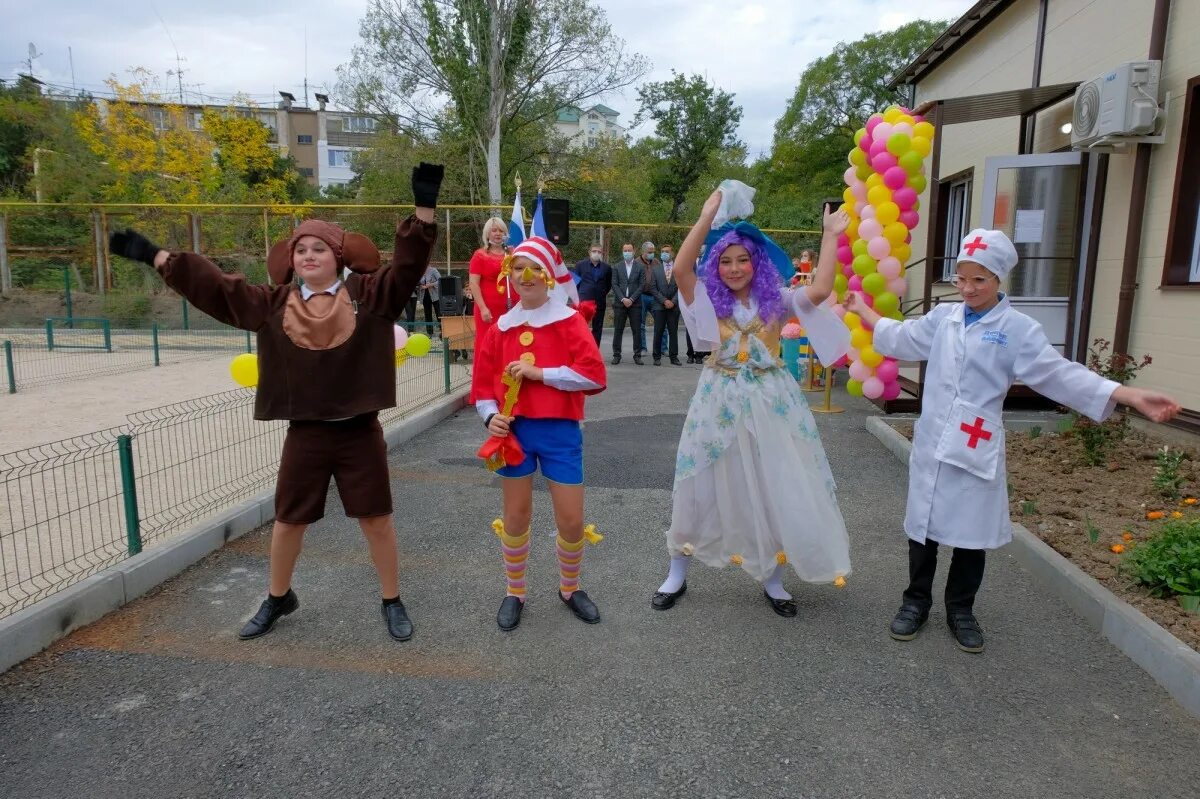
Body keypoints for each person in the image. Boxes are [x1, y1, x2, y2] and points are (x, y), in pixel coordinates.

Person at [108, 163, 446, 643]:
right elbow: (218, 289)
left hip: (358, 432)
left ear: (338, 257)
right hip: (306, 433)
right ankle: (278, 596)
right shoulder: (272, 302)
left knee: (377, 519)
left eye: (319, 248)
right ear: (291, 259)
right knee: (289, 520)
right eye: (300, 248)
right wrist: (158, 256)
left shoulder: (369, 295)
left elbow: (408, 268)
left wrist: (424, 208)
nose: (308, 255)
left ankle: (392, 598)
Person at [845, 228, 1182, 654]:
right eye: (961, 278)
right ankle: (915, 602)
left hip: (975, 440)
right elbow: (904, 337)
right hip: (934, 439)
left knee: (972, 530)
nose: (967, 288)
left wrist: (1125, 393)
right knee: (924, 525)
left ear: (1000, 279)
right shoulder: (944, 318)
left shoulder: (1018, 329)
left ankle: (961, 610)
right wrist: (865, 313)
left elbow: (1058, 373)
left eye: (979, 280)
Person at [650, 187, 853, 616]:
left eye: (742, 259)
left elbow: (819, 290)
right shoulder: (707, 301)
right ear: (715, 266)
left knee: (771, 483)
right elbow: (682, 269)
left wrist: (830, 235)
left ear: (756, 262)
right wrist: (706, 217)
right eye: (725, 260)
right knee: (697, 482)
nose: (735, 268)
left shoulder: (777, 302)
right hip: (718, 399)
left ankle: (773, 579)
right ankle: (677, 572)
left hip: (770, 401)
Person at [472, 237, 608, 631]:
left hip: (560, 433)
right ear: (508, 274)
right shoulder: (500, 327)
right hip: (514, 435)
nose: (525, 276)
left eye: (535, 269)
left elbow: (594, 376)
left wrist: (540, 373)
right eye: (518, 268)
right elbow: (481, 387)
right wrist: (490, 417)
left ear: (549, 277)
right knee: (515, 516)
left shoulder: (568, 320)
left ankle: (570, 588)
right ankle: (515, 591)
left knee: (570, 519)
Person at [469, 217, 518, 350]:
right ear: (487, 233)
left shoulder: (512, 254)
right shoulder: (479, 255)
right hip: (488, 309)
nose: (498, 234)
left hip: (512, 307)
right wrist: (483, 308)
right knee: (488, 342)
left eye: (501, 231)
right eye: (494, 230)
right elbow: (473, 283)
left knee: (510, 342)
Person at [610, 242, 645, 365]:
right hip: (620, 304)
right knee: (618, 330)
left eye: (629, 250)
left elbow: (642, 285)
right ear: (622, 251)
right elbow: (614, 284)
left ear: (634, 251)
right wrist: (623, 299)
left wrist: (631, 299)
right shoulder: (616, 267)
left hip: (635, 304)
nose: (627, 253)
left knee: (637, 330)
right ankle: (616, 355)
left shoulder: (640, 267)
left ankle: (637, 355)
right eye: (625, 250)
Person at [573, 243, 612, 346]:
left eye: (599, 252)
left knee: (597, 329)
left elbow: (608, 285)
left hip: (599, 302)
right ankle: (581, 350)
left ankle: (595, 351)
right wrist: (583, 293)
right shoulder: (580, 265)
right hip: (584, 302)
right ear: (589, 252)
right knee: (581, 327)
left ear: (602, 253)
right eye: (594, 251)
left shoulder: (607, 268)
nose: (596, 253)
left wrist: (601, 293)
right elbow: (575, 283)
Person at [650, 248, 681, 365]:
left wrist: (673, 301)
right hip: (659, 305)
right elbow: (653, 288)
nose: (664, 253)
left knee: (673, 332)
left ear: (672, 253)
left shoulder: (678, 268)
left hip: (674, 305)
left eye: (667, 251)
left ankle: (674, 357)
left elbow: (681, 287)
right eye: (662, 251)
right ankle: (656, 357)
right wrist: (664, 301)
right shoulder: (655, 269)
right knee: (658, 331)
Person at [636, 241, 657, 357]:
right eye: (649, 252)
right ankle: (643, 348)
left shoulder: (656, 262)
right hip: (641, 296)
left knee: (660, 323)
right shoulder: (637, 263)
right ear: (643, 252)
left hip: (655, 296)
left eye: (653, 252)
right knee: (641, 324)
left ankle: (661, 348)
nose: (651, 254)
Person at [418, 263, 441, 338]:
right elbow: (418, 283)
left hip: (434, 295)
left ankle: (442, 331)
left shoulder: (433, 270)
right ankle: (430, 333)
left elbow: (440, 280)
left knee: (438, 313)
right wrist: (420, 286)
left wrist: (431, 284)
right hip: (425, 296)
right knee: (427, 314)